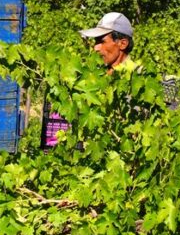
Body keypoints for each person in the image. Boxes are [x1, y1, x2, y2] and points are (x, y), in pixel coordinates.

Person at [43, 12, 139, 147]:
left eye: (102, 41)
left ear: (122, 44)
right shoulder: (95, 75)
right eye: (95, 42)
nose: (96, 47)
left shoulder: (135, 79)